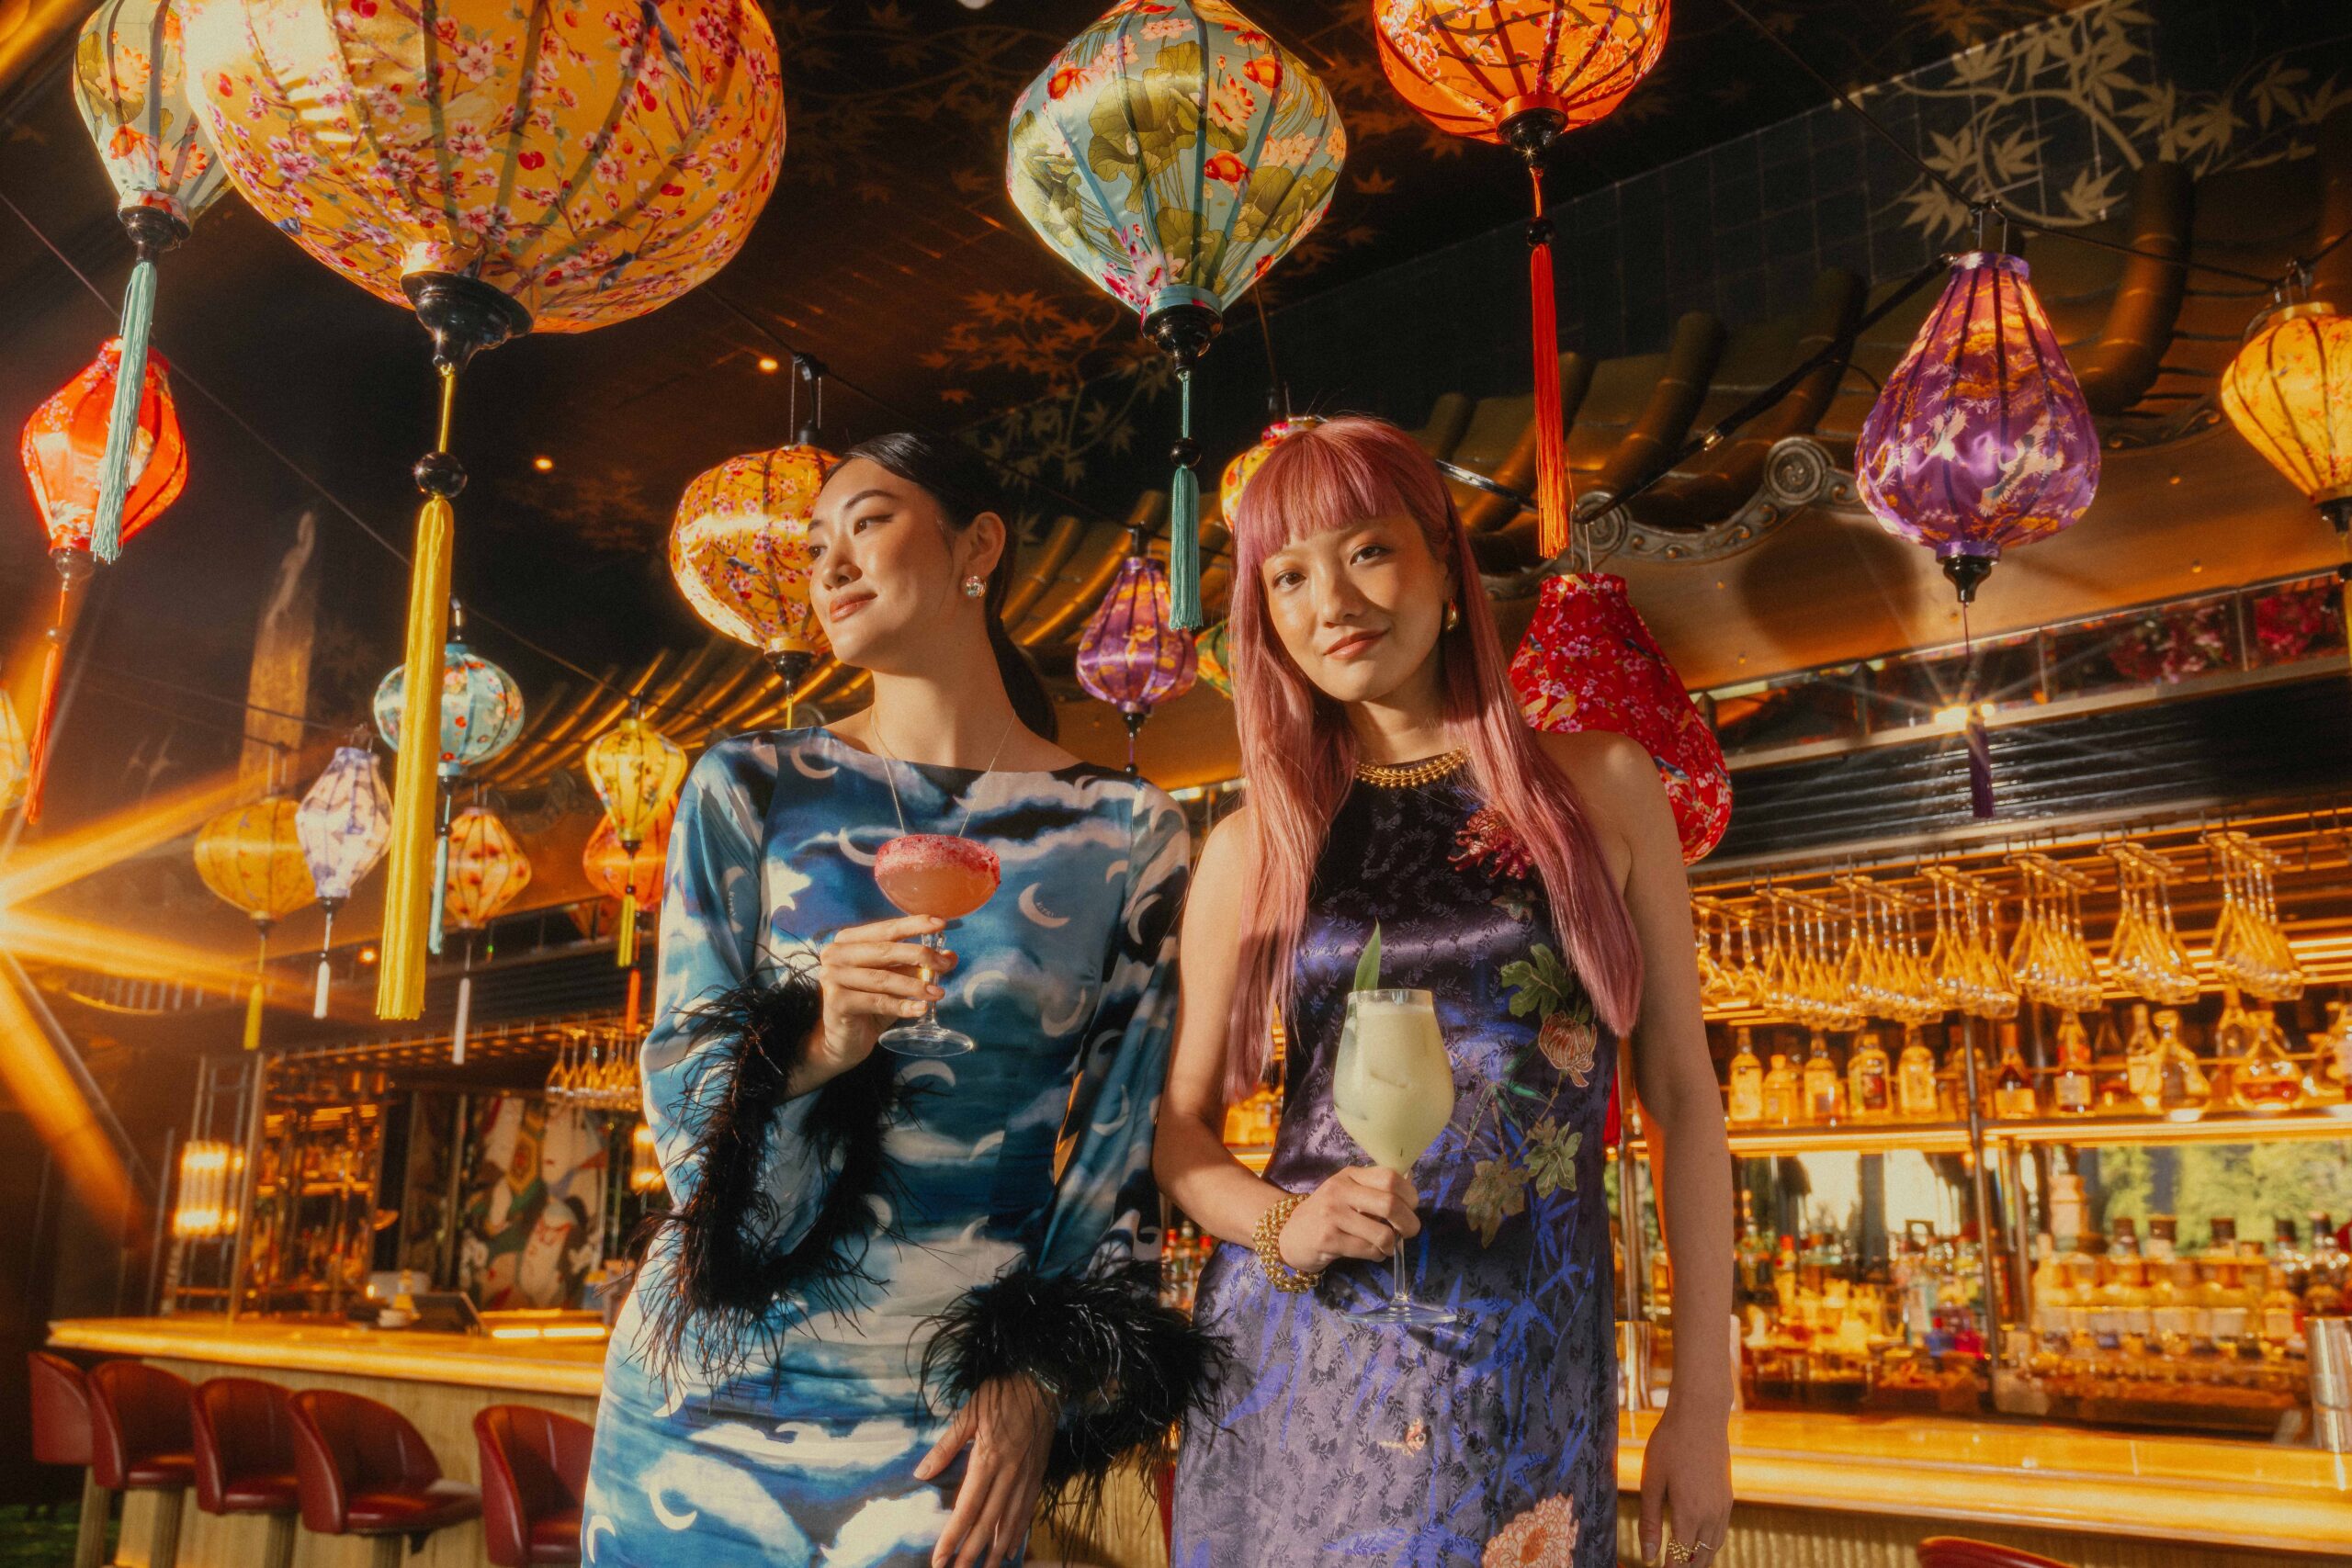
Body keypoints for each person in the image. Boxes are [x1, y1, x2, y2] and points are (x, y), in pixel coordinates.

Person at [583, 433, 1218, 1568]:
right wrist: (815, 1042)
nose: (828, 568)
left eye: (867, 524)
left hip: (948, 1408)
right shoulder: (751, 786)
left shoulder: (1126, 829)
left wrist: (1037, 1370)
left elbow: (1119, 1147)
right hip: (705, 1403)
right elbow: (683, 1109)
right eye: (815, 546)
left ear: (978, 545)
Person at [1158, 417, 1734, 1568]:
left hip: (1528, 1349)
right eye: (1288, 577)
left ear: (1445, 569)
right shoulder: (1252, 846)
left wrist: (1702, 1403)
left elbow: (1683, 1095)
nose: (1333, 600)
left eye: (1367, 551)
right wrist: (1284, 1222)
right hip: (1303, 1357)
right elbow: (1176, 1137)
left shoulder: (1603, 784)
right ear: (1264, 620)